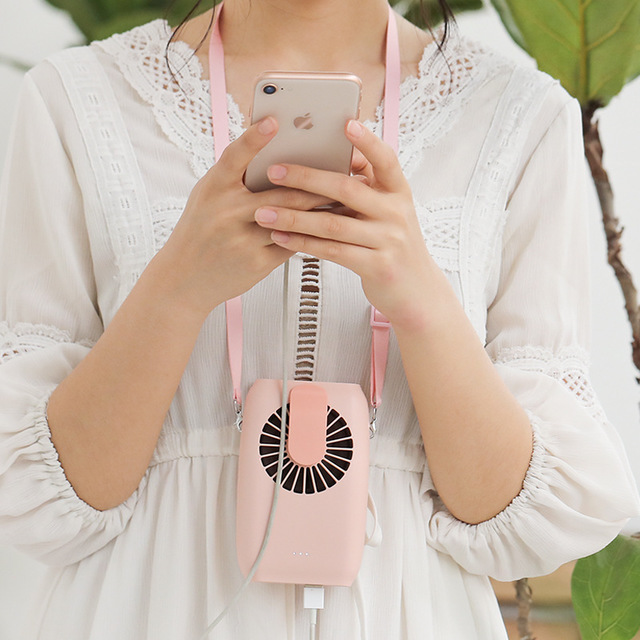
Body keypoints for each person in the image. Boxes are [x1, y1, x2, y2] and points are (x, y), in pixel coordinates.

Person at [0, 0, 638, 638]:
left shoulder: (519, 115)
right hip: (145, 611)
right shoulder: (77, 99)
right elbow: (46, 497)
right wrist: (176, 288)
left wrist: (419, 299)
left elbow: (506, 512)